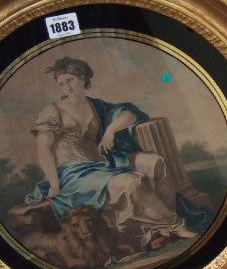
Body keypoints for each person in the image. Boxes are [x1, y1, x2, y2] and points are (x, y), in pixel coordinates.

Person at [25, 56, 196, 256]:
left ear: (82, 78)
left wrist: (110, 130)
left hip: (102, 164)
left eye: (70, 80)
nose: (67, 87)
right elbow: (43, 149)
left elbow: (130, 113)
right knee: (132, 182)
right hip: (73, 174)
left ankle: (162, 228)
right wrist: (54, 183)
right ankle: (173, 225)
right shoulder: (53, 112)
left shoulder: (96, 106)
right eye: (62, 83)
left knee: (156, 162)